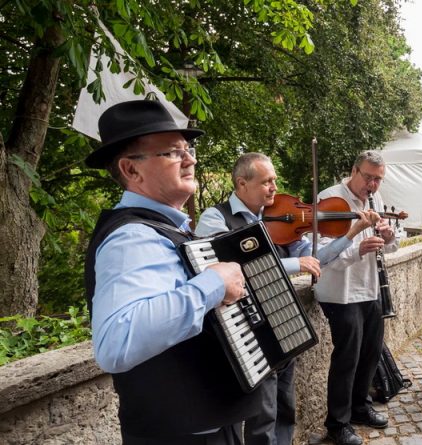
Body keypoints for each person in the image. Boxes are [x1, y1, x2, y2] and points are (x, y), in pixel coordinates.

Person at [84, 100, 259, 444]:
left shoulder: (163, 229)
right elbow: (115, 344)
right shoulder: (131, 237)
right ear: (131, 170)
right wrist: (213, 284)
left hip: (203, 423)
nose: (190, 159)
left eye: (188, 149)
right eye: (173, 152)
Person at [194, 152, 377, 445]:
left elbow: (316, 259)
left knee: (283, 405)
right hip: (244, 327)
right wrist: (295, 265)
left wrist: (351, 233)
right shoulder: (215, 218)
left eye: (274, 181)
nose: (274, 188)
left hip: (282, 317)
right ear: (242, 183)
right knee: (260, 412)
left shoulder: (282, 220)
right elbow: (229, 268)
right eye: (266, 182)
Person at [314, 150, 398, 445]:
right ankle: (337, 424)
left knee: (370, 353)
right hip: (339, 292)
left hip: (369, 288)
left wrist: (388, 237)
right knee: (347, 357)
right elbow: (321, 255)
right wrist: (356, 248)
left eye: (378, 179)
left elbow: (392, 247)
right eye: (368, 177)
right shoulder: (330, 199)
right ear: (354, 170)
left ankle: (360, 408)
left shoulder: (375, 200)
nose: (373, 184)